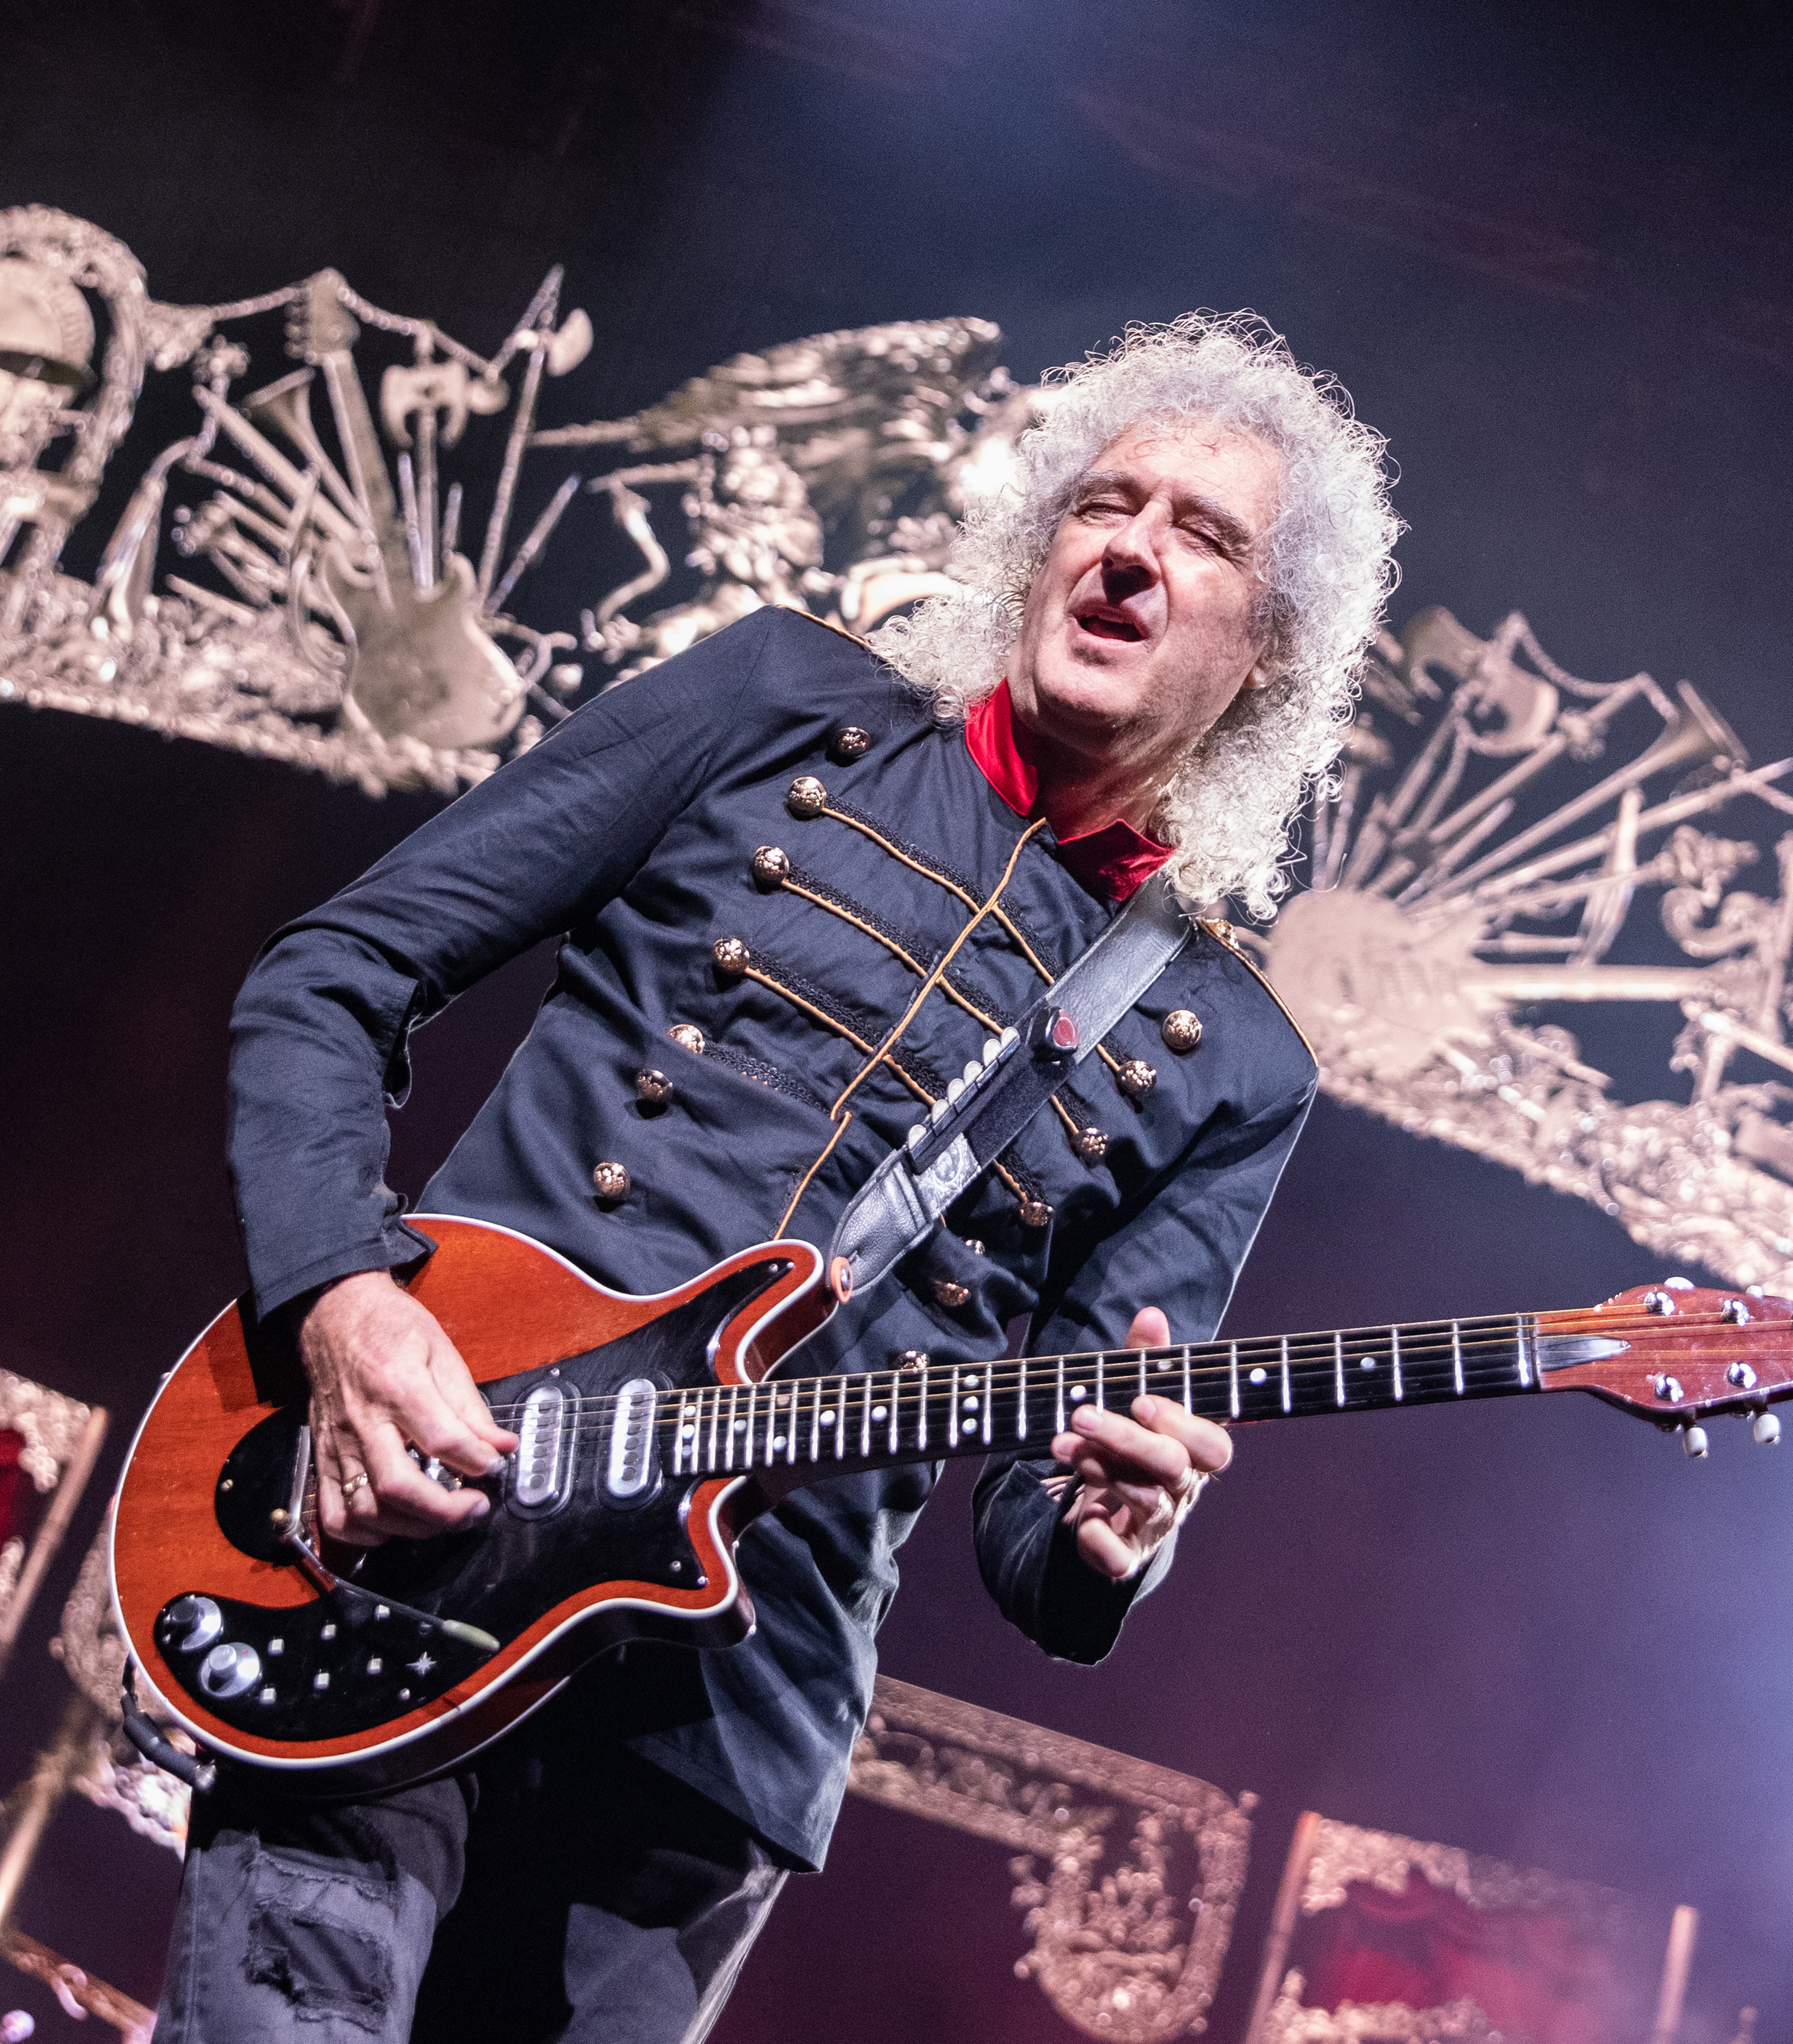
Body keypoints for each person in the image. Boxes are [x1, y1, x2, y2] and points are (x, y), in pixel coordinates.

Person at [154, 312, 1400, 2044]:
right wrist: (342, 1301)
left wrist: (1114, 1530)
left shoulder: (1229, 1051)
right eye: (1101, 502)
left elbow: (1041, 1538)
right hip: (419, 1537)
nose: (1126, 545)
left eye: (1198, 534)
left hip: (718, 1727)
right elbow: (332, 973)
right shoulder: (768, 702)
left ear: (1265, 649)